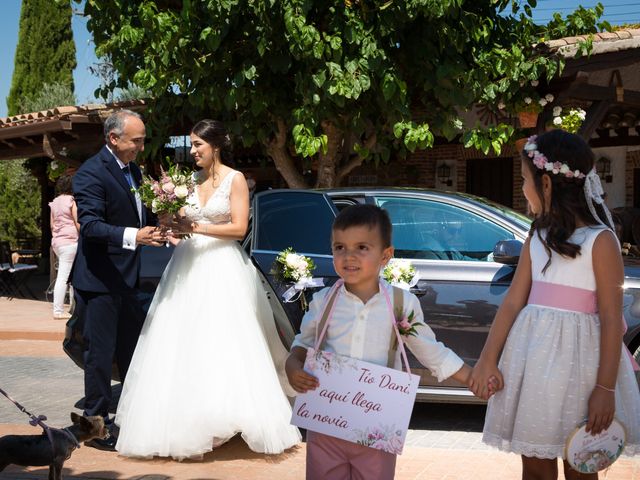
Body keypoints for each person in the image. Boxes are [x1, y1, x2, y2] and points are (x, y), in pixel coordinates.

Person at [114, 119, 301, 460]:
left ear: (215, 146)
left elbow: (239, 227)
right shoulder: (187, 182)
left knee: (224, 341)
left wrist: (194, 225)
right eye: (192, 145)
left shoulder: (235, 179)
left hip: (222, 268)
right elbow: (179, 227)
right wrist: (169, 222)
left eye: (198, 145)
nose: (193, 151)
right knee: (183, 342)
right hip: (186, 265)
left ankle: (228, 418)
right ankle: (190, 421)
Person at [470, 130, 640, 480]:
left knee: (581, 465)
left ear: (545, 183)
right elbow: (513, 301)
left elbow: (610, 318)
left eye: (524, 179)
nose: (522, 188)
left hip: (582, 371)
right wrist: (488, 359)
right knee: (534, 467)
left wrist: (604, 389)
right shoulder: (537, 236)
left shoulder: (600, 240)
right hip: (532, 366)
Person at [285, 204, 474, 480]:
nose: (348, 256)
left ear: (386, 255)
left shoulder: (401, 303)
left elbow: (429, 349)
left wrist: (471, 377)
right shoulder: (323, 301)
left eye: (362, 247)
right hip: (326, 422)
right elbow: (303, 343)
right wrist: (293, 365)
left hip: (376, 426)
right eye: (339, 247)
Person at [71, 110, 166, 451]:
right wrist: (134, 236)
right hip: (99, 281)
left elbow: (142, 212)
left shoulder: (134, 170)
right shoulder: (90, 174)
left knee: (131, 351)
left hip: (129, 279)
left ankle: (131, 417)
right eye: (136, 140)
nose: (141, 147)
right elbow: (92, 227)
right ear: (113, 138)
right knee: (100, 356)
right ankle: (95, 428)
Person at [49, 174, 79, 319]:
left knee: (70, 275)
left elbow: (52, 225)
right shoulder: (71, 201)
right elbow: (77, 222)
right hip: (70, 242)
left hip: (58, 243)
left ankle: (73, 309)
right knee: (65, 276)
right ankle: (58, 311)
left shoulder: (54, 202)